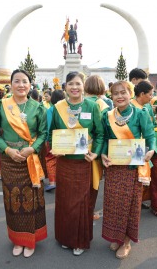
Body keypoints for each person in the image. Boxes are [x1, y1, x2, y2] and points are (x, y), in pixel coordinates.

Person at [0, 69, 47, 258]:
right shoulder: (0, 105)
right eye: (17, 81)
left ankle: (30, 240)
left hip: (30, 159)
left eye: (25, 81)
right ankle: (17, 239)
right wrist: (7, 150)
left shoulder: (38, 107)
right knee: (12, 200)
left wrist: (33, 148)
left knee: (31, 200)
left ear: (30, 85)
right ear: (11, 84)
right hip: (9, 159)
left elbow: (43, 133)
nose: (21, 85)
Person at [49, 71, 104, 256]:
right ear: (65, 86)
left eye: (78, 84)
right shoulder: (58, 107)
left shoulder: (92, 106)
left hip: (85, 162)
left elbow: (100, 133)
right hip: (65, 161)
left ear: (83, 86)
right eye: (71, 84)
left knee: (81, 202)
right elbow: (52, 132)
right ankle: (66, 238)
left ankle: (80, 240)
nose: (74, 87)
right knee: (65, 201)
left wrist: (95, 152)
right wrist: (55, 147)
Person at [100, 80, 156, 260]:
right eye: (116, 93)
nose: (120, 96)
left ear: (130, 94)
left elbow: (150, 136)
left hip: (133, 168)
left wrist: (152, 149)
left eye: (123, 92)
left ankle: (126, 241)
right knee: (113, 204)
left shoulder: (141, 114)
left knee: (129, 205)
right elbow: (104, 138)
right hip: (115, 167)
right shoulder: (107, 115)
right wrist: (103, 154)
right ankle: (116, 236)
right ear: (111, 96)